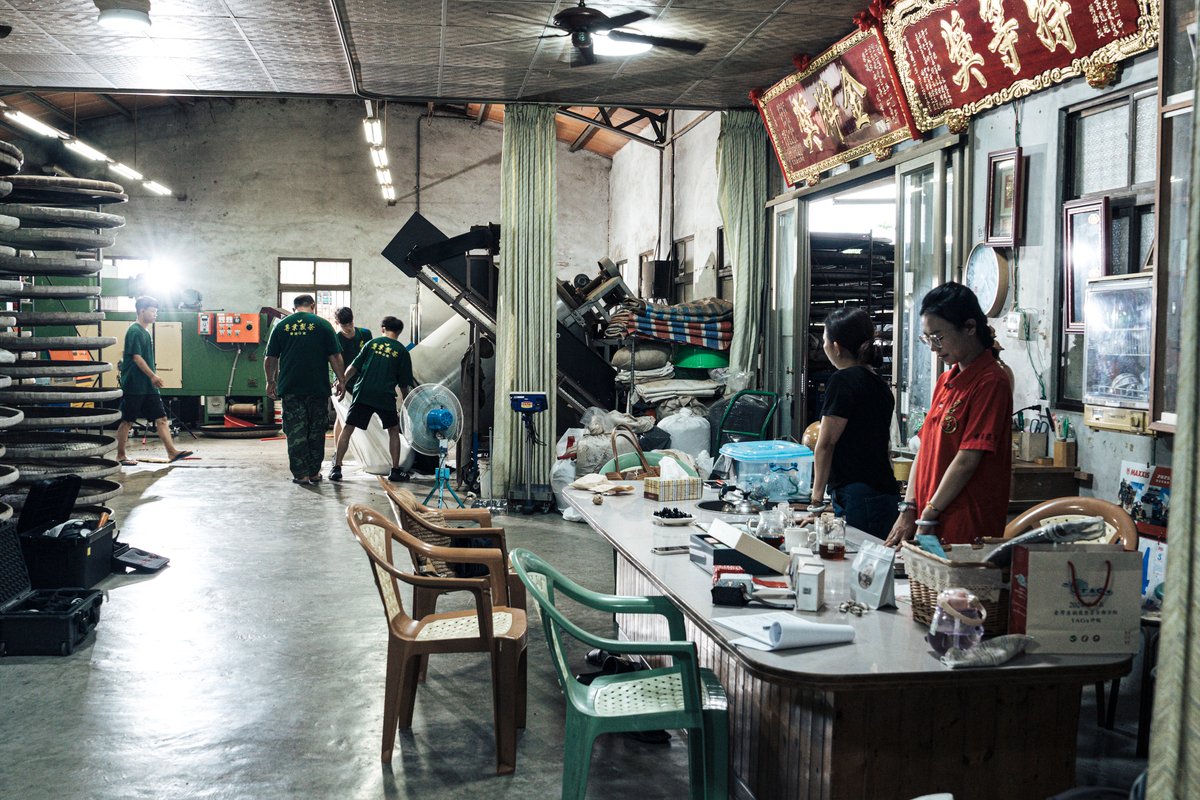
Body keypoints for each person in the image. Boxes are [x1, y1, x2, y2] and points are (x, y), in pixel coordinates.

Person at [885, 282, 1013, 547]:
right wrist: (909, 508)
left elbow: (967, 459)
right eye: (927, 338)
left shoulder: (991, 382)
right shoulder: (946, 381)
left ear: (969, 327)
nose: (933, 347)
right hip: (928, 518)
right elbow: (924, 448)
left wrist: (929, 515)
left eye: (938, 337)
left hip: (963, 523)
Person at [803, 307, 899, 538]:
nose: (823, 347)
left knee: (858, 565)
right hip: (884, 492)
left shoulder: (842, 381)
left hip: (858, 495)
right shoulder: (880, 384)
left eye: (824, 341)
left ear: (835, 347)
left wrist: (816, 503)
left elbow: (825, 445)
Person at [264, 295, 345, 485]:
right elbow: (335, 356)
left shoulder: (282, 325)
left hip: (291, 388)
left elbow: (270, 358)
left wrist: (270, 381)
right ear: (313, 306)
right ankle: (315, 473)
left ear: (294, 308)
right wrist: (341, 380)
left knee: (295, 432)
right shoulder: (323, 325)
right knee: (316, 431)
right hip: (318, 388)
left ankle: (301, 475)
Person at [329, 316, 414, 482]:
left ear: (383, 328)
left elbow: (353, 367)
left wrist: (342, 382)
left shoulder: (371, 344)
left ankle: (336, 468)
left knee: (348, 428)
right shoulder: (402, 351)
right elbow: (404, 384)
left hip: (363, 394)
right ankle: (395, 470)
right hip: (385, 396)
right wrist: (406, 403)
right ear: (399, 332)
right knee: (393, 431)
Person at [115, 296, 193, 466]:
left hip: (148, 387)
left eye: (156, 311)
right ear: (142, 310)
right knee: (127, 421)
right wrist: (153, 376)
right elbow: (136, 357)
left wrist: (151, 379)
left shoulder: (146, 331)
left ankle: (172, 452)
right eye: (152, 311)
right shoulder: (134, 331)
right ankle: (120, 455)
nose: (155, 314)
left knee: (162, 418)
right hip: (135, 385)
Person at [332, 306, 372, 443]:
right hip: (344, 382)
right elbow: (336, 362)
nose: (348, 327)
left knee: (368, 417)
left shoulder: (365, 334)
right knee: (342, 417)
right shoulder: (336, 339)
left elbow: (369, 359)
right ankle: (338, 452)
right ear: (337, 323)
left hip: (362, 382)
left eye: (350, 323)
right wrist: (340, 382)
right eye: (345, 325)